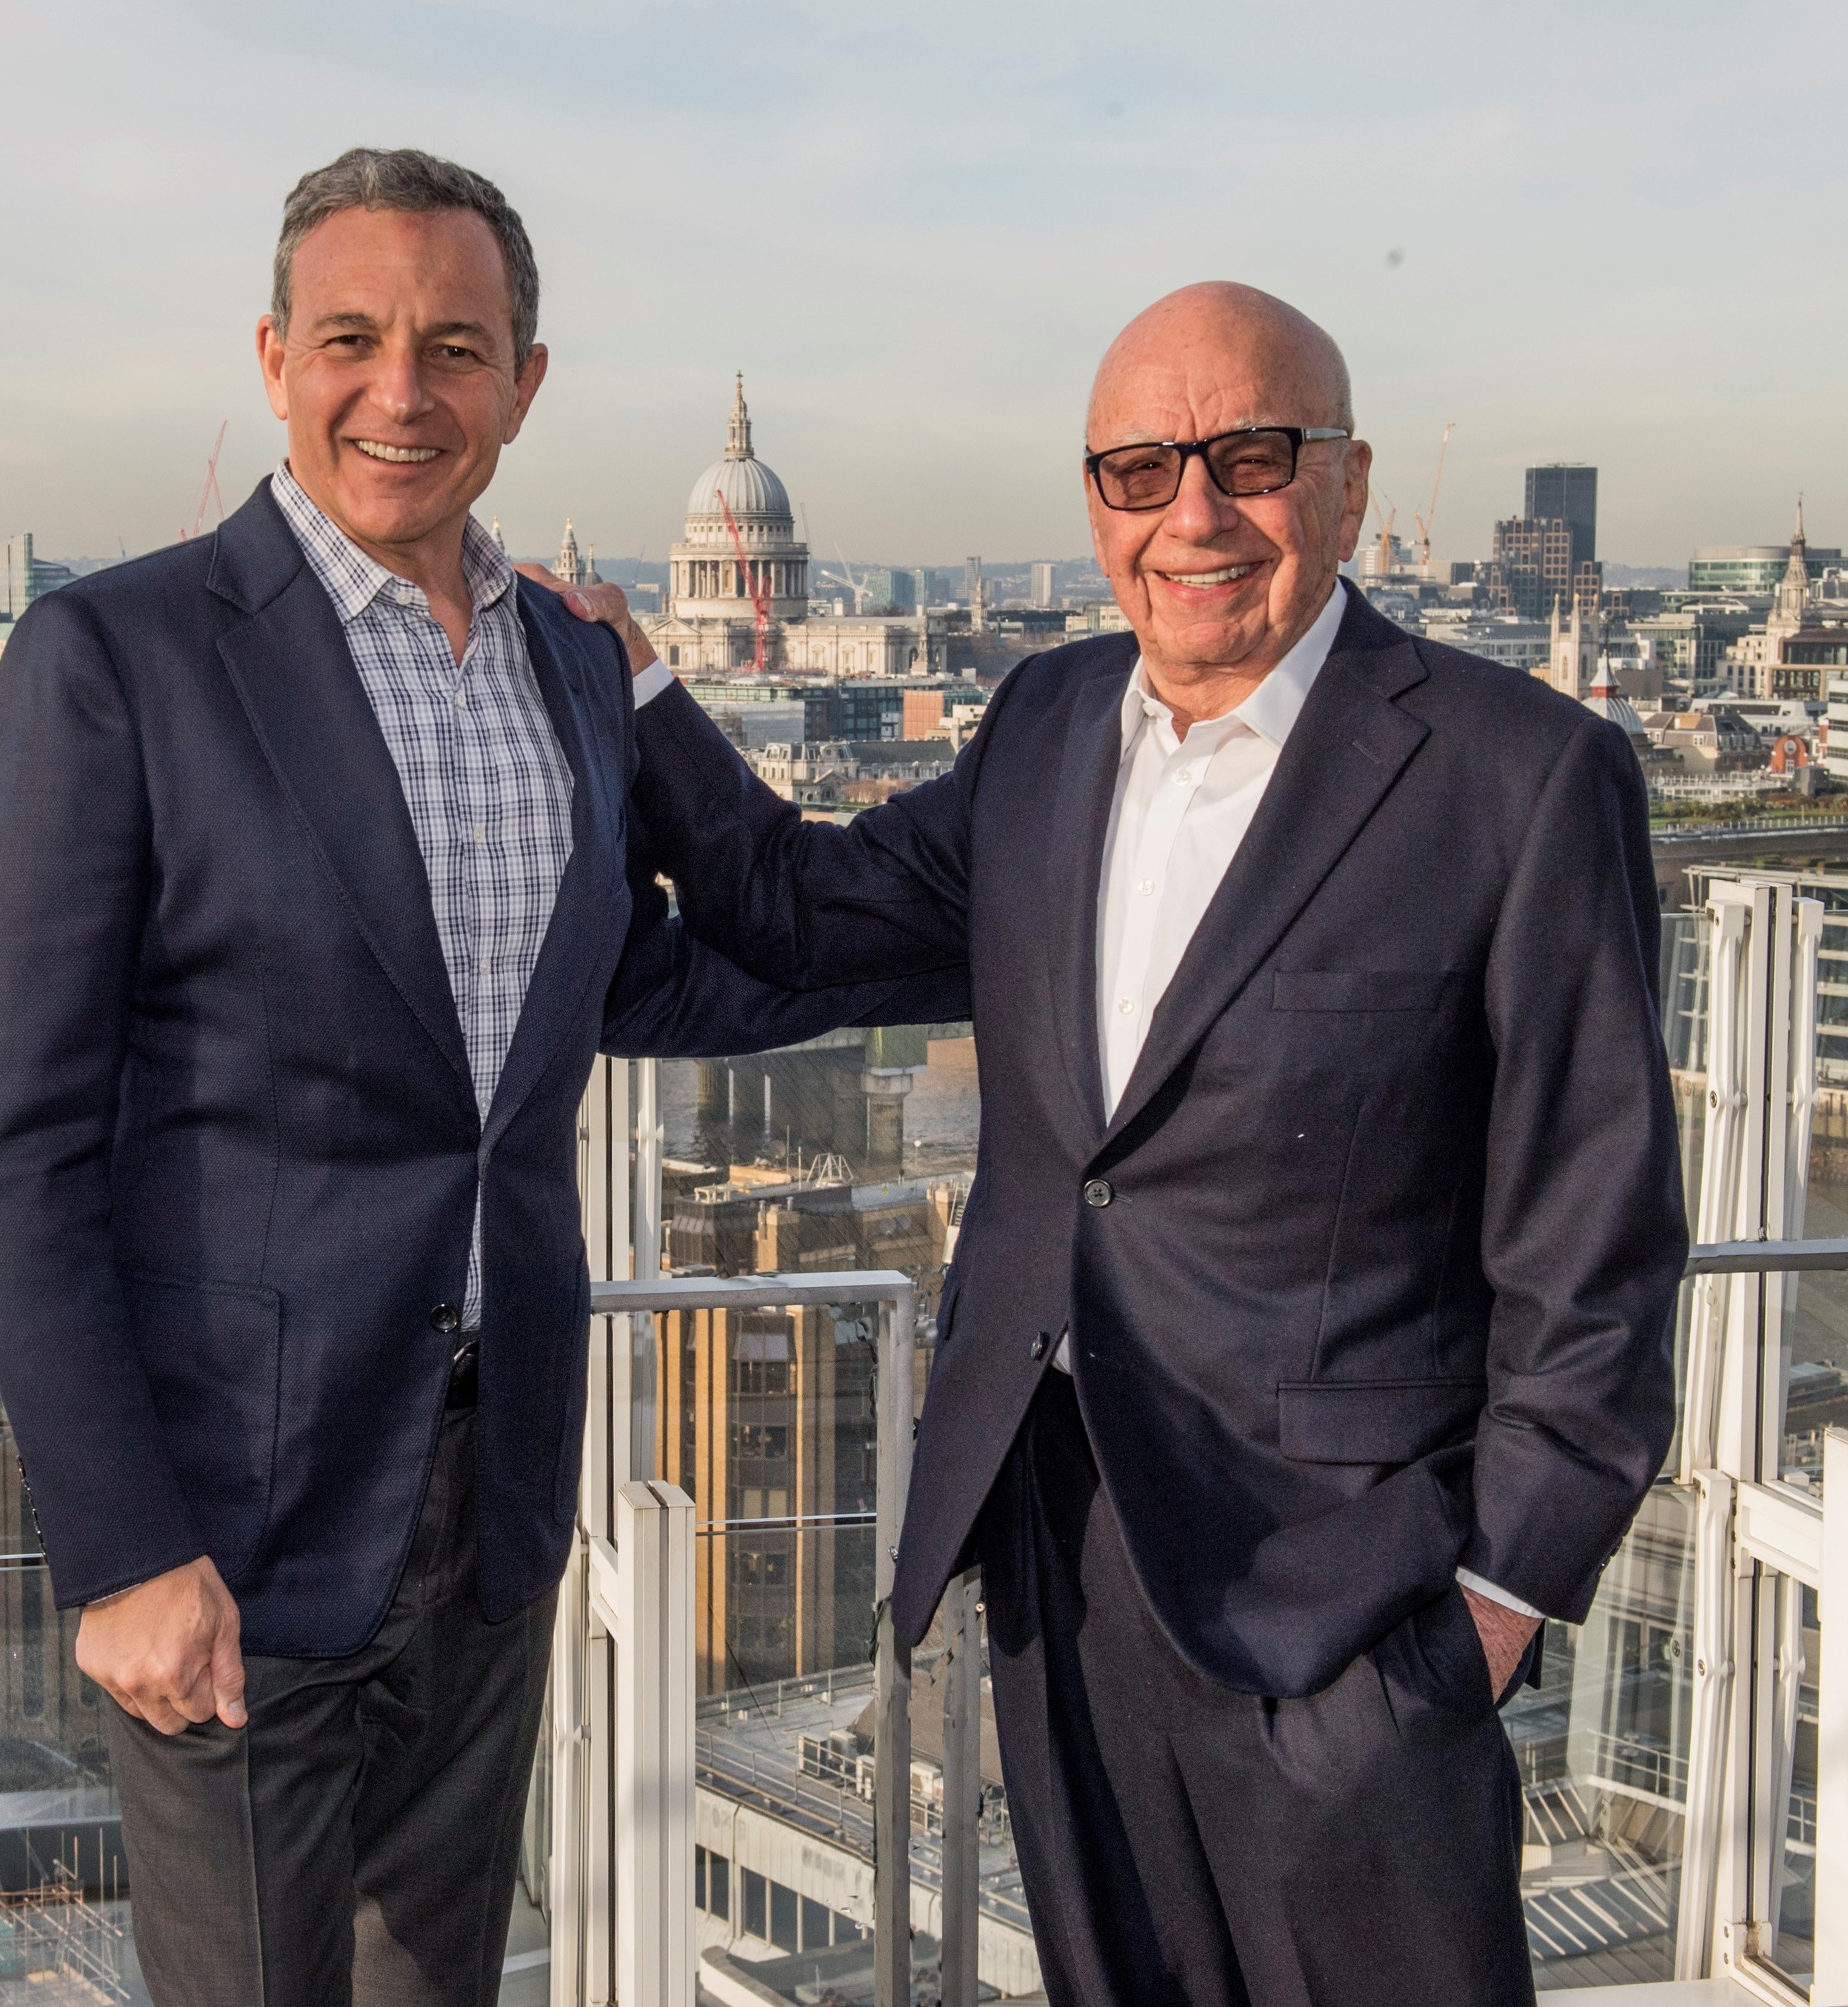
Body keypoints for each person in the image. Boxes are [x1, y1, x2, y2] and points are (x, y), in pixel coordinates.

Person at [555, 282, 1687, 2003]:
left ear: (1351, 481)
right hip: (1058, 1549)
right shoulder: (1047, 723)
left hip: (1355, 1600)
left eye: (1250, 455)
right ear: (1097, 505)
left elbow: (1595, 1235)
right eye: (1144, 468)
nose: (1196, 513)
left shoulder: (1524, 776)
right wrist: (638, 693)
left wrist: (1492, 1605)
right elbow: (802, 913)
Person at [0, 147, 963, 2007]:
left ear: (526, 381)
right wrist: (122, 1552)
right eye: (352, 338)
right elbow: (15, 1149)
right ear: (272, 357)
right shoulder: (121, 656)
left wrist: (1029, 929)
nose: (400, 393)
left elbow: (625, 978)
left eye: (454, 346)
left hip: (489, 1492)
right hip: (232, 1522)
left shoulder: (571, 667)